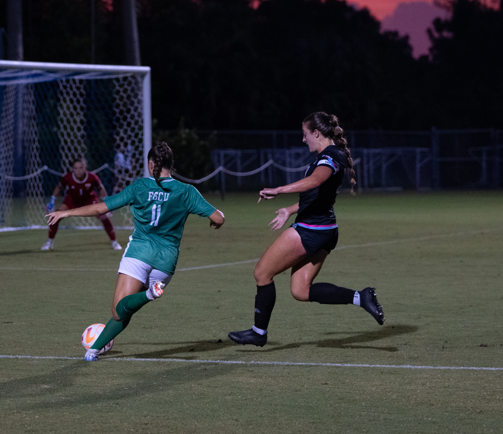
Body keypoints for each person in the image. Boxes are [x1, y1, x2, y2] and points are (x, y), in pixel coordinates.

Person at [46, 142, 225, 361]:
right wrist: (215, 221)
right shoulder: (186, 191)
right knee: (127, 309)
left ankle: (149, 294)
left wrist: (67, 213)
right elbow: (218, 218)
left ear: (151, 164)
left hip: (139, 253)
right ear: (171, 165)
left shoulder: (139, 187)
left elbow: (102, 208)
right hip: (166, 262)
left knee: (118, 311)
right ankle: (93, 351)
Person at [228, 112, 383, 347]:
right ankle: (360, 297)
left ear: (317, 133)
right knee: (301, 290)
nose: (303, 140)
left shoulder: (328, 158)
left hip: (311, 230)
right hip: (326, 230)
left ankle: (258, 332)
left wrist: (278, 189)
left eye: (305, 134)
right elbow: (317, 196)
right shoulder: (332, 156)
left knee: (262, 273)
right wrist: (289, 210)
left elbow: (315, 182)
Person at [43, 159, 122, 251]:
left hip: (89, 200)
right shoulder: (67, 178)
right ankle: (49, 242)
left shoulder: (92, 177)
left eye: (81, 167)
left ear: (85, 168)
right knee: (55, 216)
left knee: (104, 216)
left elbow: (101, 188)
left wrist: (108, 202)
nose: (79, 170)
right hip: (72, 201)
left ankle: (114, 242)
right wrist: (52, 201)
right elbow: (59, 187)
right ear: (72, 169)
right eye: (76, 168)